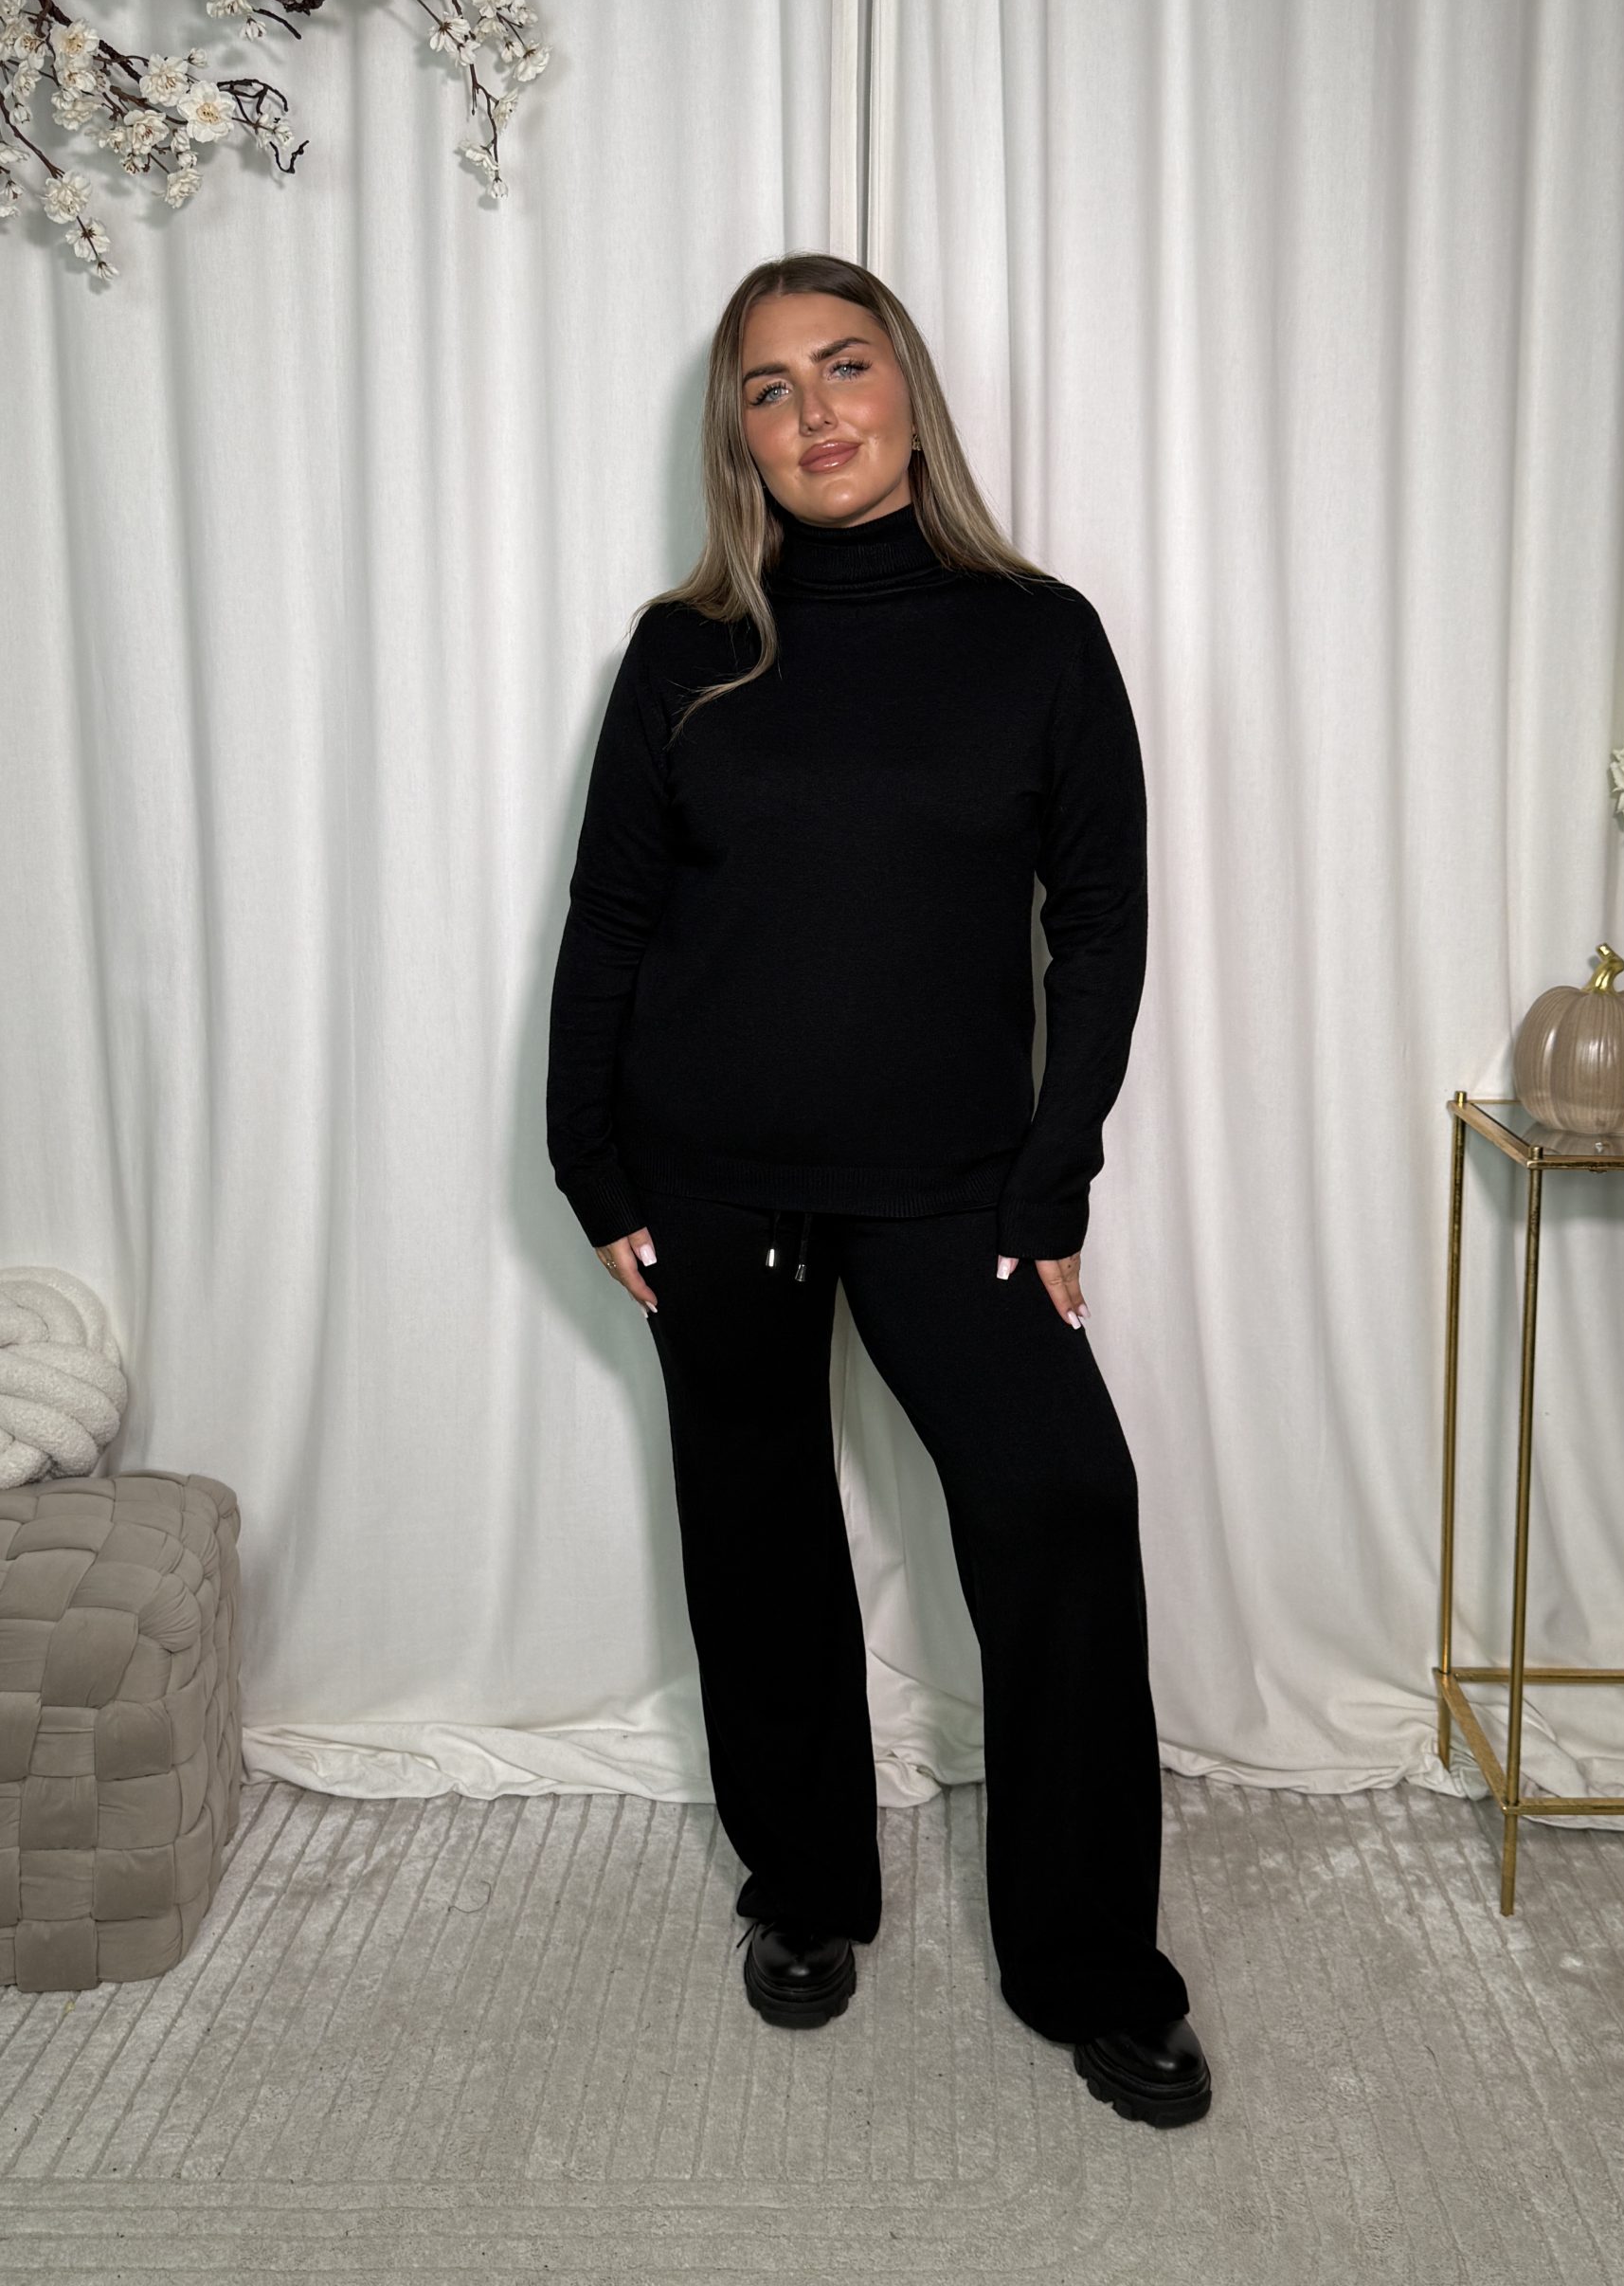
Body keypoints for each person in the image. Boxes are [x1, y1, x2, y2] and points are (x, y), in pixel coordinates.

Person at [546, 254, 1209, 2129]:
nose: (815, 410)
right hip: (710, 1172)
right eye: (770, 388)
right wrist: (586, 1155)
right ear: (739, 439)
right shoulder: (687, 650)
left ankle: (1090, 1959)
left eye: (845, 366)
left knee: (1062, 1504)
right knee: (758, 1532)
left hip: (956, 1186)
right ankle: (807, 1889)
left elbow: (1099, 921)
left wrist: (1054, 1176)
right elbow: (613, 915)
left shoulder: (1039, 638)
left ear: (908, 389)